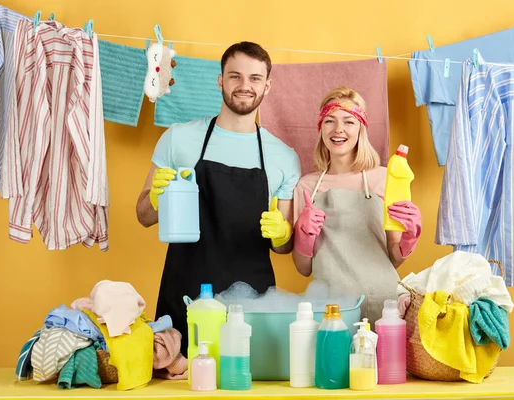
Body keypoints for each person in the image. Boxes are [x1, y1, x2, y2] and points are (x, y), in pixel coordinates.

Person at [136, 42, 300, 356]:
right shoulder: (178, 138)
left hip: (252, 303)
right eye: (235, 76)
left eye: (254, 78)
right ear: (220, 80)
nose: (244, 85)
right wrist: (155, 198)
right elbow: (143, 216)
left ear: (267, 85)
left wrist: (284, 232)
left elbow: (283, 247)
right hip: (186, 295)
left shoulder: (284, 157)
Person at [292, 86, 422, 323]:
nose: (338, 129)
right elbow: (303, 268)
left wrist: (409, 238)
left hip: (383, 304)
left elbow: (394, 257)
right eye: (330, 121)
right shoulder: (306, 186)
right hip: (330, 308)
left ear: (361, 128)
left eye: (349, 121)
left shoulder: (384, 178)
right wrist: (303, 235)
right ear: (321, 128)